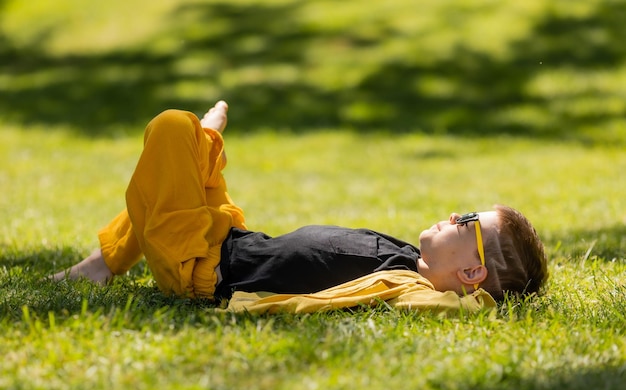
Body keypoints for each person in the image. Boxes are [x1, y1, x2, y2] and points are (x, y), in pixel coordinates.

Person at [52, 101, 548, 302]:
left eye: (464, 222)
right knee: (179, 185)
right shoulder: (410, 261)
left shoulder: (410, 290)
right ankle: (106, 259)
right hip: (230, 239)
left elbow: (453, 310)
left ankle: (200, 142)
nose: (451, 214)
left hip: (199, 269)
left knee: (170, 128)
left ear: (471, 273)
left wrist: (481, 301)